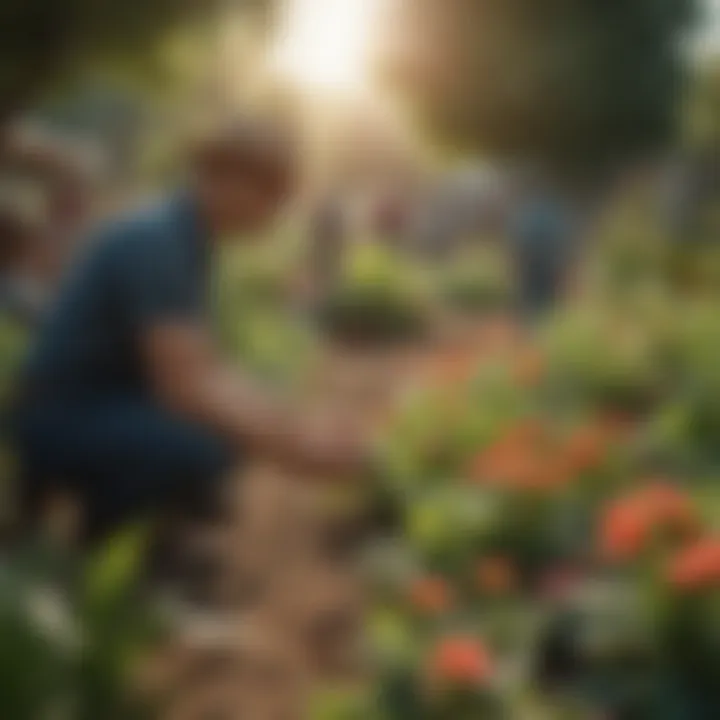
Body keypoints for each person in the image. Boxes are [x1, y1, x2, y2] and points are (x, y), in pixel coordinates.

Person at [12, 114, 370, 545]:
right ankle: (103, 552)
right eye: (272, 198)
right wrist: (299, 452)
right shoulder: (158, 243)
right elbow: (185, 387)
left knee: (233, 424)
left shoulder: (185, 238)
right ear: (231, 181)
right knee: (200, 444)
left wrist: (293, 425)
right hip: (60, 415)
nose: (275, 215)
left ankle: (143, 540)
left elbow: (207, 367)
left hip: (97, 403)